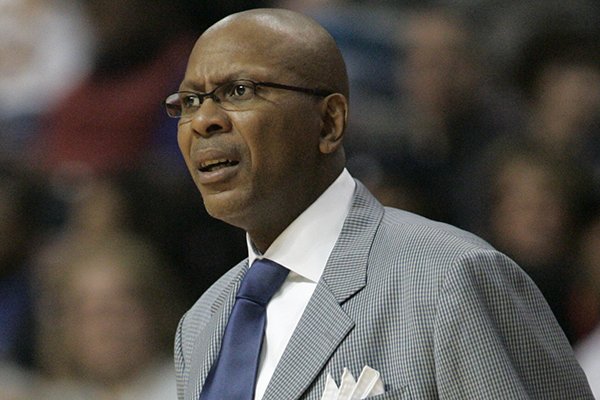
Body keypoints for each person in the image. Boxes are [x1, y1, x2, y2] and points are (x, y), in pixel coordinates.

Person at [170, 8, 593, 399]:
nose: (204, 120)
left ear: (329, 122)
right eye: (189, 101)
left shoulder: (447, 278)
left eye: (239, 90)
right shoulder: (200, 326)